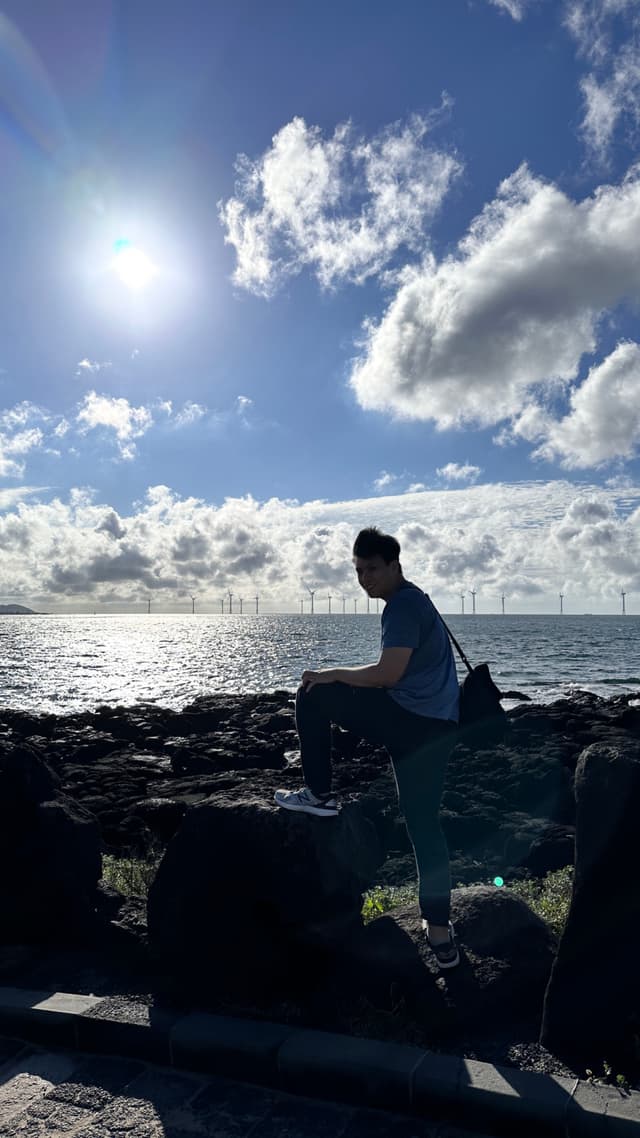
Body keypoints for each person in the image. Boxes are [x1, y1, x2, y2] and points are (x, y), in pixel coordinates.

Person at [274, 526, 461, 970]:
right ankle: (440, 932)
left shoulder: (401, 606)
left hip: (409, 724)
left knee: (312, 692)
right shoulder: (419, 599)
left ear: (395, 565)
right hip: (436, 728)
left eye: (372, 569)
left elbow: (388, 674)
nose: (365, 579)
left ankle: (318, 794)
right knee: (424, 827)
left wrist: (332, 672)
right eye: (358, 571)